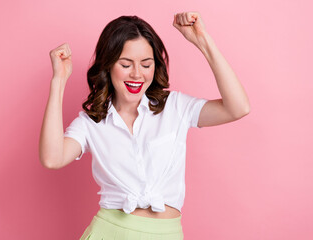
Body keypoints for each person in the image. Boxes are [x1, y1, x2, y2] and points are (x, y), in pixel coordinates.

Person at [39, 11, 250, 240]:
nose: (137, 74)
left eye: (146, 64)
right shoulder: (92, 122)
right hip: (109, 232)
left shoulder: (174, 107)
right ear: (108, 65)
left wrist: (203, 42)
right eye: (126, 64)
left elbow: (237, 108)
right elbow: (52, 158)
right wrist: (58, 81)